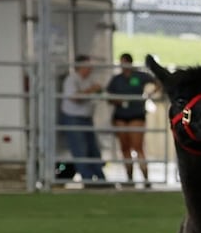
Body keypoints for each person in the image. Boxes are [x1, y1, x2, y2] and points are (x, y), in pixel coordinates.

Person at [105, 53, 155, 186]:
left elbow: (156, 82)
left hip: (136, 114)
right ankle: (129, 177)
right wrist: (116, 100)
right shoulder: (117, 79)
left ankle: (145, 177)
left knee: (138, 146)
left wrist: (151, 93)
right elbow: (108, 96)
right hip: (121, 115)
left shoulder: (140, 76)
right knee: (125, 147)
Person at [58, 55, 107, 184]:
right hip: (73, 119)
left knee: (93, 150)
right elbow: (74, 98)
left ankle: (101, 178)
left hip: (86, 119)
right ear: (79, 67)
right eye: (87, 66)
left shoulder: (89, 80)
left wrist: (98, 91)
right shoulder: (71, 80)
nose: (90, 69)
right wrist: (92, 90)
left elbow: (99, 93)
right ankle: (88, 179)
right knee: (80, 150)